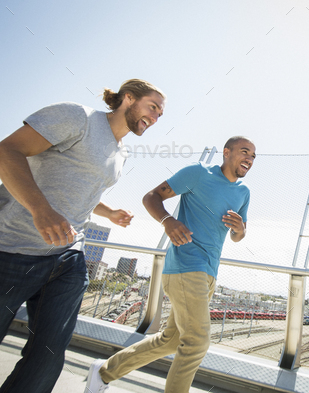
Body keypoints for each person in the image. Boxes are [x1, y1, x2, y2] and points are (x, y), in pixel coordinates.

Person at [0, 79, 166, 393]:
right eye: (153, 107)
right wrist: (40, 209)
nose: (156, 118)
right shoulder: (77, 118)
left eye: (160, 114)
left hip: (68, 260)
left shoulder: (121, 153)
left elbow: (81, 190)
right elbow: (8, 151)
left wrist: (110, 213)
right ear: (128, 98)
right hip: (12, 249)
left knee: (47, 357)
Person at [85, 136, 256, 393]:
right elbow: (151, 196)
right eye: (245, 152)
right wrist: (168, 221)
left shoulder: (243, 192)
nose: (250, 159)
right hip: (186, 267)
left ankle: (104, 371)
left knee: (170, 340)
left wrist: (240, 229)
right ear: (226, 152)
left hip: (208, 273)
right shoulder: (198, 173)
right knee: (197, 342)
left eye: (253, 156)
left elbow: (237, 236)